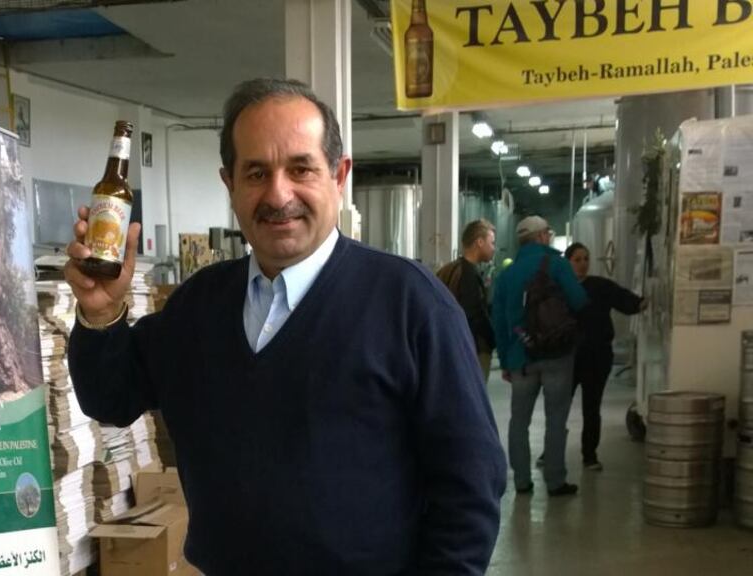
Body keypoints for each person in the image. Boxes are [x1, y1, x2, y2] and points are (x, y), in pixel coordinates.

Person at [63, 78, 506, 575]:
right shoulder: (198, 307)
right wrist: (101, 312)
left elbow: (471, 485)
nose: (278, 194)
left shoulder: (410, 305)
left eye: (300, 168)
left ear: (339, 176)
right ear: (230, 184)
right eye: (256, 172)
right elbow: (109, 399)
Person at [492, 216, 587, 497]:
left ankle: (522, 481)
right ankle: (556, 481)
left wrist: (507, 360)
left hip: (522, 356)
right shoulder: (557, 264)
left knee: (518, 421)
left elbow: (498, 320)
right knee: (556, 419)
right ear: (542, 237)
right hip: (558, 354)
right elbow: (579, 301)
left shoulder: (506, 274)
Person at [565, 242, 645, 471]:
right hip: (569, 357)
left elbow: (623, 299)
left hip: (597, 356)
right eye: (577, 259)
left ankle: (589, 455)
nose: (582, 264)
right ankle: (550, 452)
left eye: (585, 259)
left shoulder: (599, 286)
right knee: (560, 406)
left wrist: (641, 303)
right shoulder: (561, 288)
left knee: (592, 407)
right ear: (568, 262)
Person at [437, 219, 497, 379]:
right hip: (472, 348)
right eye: (491, 243)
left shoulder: (449, 270)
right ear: (479, 242)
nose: (494, 248)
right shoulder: (469, 274)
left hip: (451, 345)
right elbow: (473, 312)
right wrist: (491, 338)